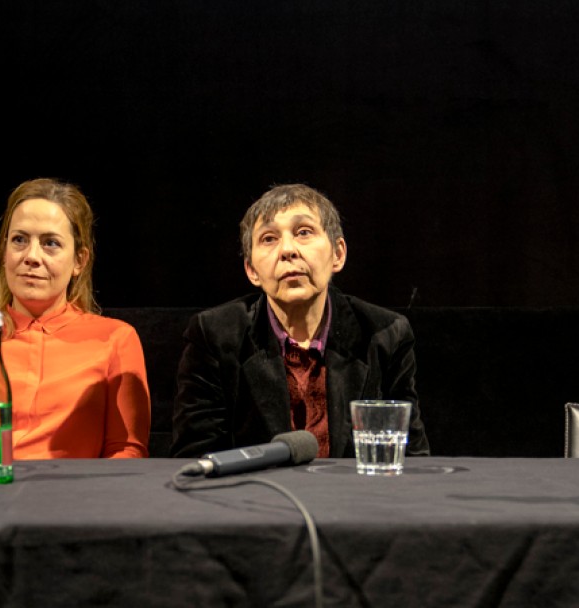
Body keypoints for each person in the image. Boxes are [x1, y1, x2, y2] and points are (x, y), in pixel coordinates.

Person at [171, 182, 428, 459]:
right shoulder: (215, 336)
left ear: (338, 254)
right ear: (251, 270)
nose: (287, 250)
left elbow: (410, 458)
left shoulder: (384, 334)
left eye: (303, 232)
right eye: (269, 238)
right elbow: (196, 459)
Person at [0, 178, 150, 460]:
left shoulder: (115, 339)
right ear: (4, 252)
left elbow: (126, 450)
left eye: (50, 243)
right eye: (19, 240)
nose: (31, 256)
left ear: (79, 261)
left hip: (74, 488)